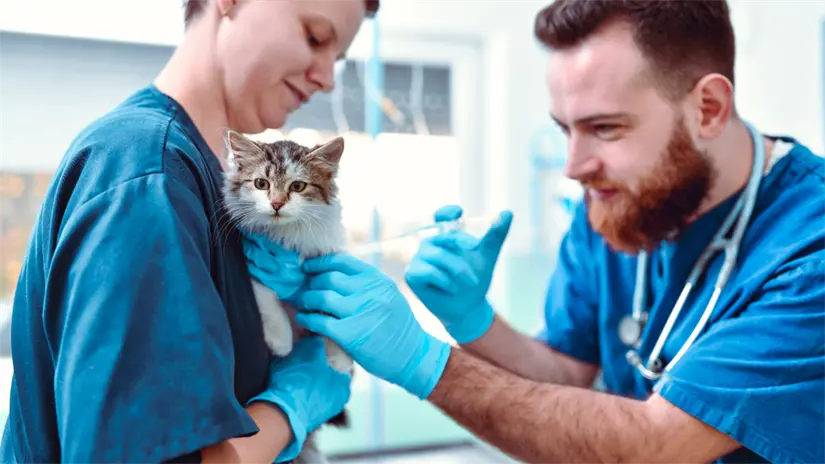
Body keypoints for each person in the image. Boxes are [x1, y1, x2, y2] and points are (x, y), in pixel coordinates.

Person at [247, 1, 825, 463]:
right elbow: (568, 373)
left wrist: (423, 360)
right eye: (564, 129)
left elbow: (659, 444)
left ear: (708, 109)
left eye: (604, 128)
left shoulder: (808, 249)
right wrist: (473, 320)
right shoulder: (617, 204)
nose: (573, 166)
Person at [0, 0, 379, 462]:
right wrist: (291, 408)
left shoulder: (218, 189)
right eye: (315, 37)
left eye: (337, 59)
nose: (327, 78)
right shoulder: (148, 174)